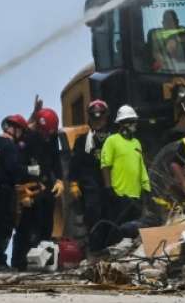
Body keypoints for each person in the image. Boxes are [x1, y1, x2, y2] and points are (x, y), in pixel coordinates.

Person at [12, 106, 64, 270]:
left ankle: (44, 261)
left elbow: (56, 159)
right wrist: (22, 193)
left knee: (46, 223)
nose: (48, 137)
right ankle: (19, 263)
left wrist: (60, 180)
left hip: (47, 186)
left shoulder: (52, 137)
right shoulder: (27, 140)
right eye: (46, 134)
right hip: (30, 187)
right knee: (26, 226)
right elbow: (18, 167)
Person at [67, 100, 112, 259]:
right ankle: (94, 249)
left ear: (106, 118)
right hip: (90, 185)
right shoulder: (82, 141)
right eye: (94, 118)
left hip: (111, 184)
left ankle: (110, 248)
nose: (98, 121)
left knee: (111, 214)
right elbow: (75, 163)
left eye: (100, 118)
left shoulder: (113, 138)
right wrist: (73, 183)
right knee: (93, 214)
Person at [100, 105, 151, 245]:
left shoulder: (136, 143)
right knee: (119, 230)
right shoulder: (112, 141)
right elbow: (105, 166)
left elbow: (141, 167)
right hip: (119, 194)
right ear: (122, 124)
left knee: (134, 230)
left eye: (135, 121)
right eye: (131, 121)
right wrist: (109, 188)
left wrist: (146, 188)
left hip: (136, 195)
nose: (135, 124)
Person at [0, 114, 27, 269]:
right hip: (5, 191)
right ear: (16, 129)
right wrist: (29, 171)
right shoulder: (10, 146)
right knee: (5, 226)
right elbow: (14, 170)